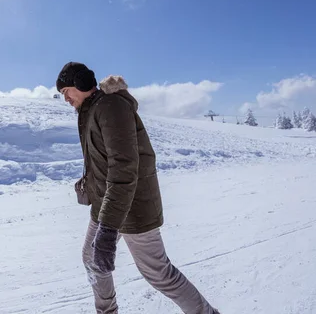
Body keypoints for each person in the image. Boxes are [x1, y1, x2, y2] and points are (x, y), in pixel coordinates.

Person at [56, 62, 220, 314]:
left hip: (132, 206)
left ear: (80, 83)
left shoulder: (111, 107)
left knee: (159, 273)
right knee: (91, 259)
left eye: (66, 90)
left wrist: (108, 230)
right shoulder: (91, 111)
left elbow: (124, 167)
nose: (65, 98)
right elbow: (104, 160)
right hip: (106, 203)